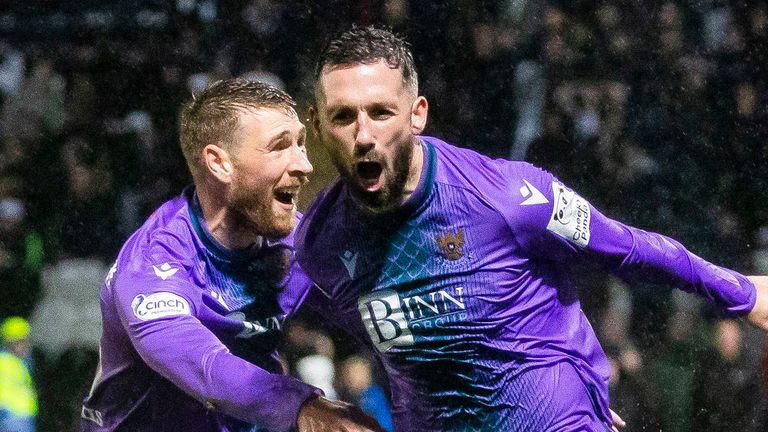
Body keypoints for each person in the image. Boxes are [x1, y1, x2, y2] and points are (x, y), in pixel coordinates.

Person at [295, 26, 768, 432]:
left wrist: (743, 293)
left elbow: (626, 247)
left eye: (380, 112)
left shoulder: (509, 197)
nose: (362, 135)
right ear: (316, 125)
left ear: (417, 114)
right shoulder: (318, 244)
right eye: (343, 116)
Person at [81, 79, 384, 432]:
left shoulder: (301, 244)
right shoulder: (154, 261)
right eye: (280, 147)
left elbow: (383, 309)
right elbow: (204, 367)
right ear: (219, 163)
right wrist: (304, 407)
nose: (304, 165)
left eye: (300, 144)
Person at [0, 316, 37, 432]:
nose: (25, 346)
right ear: (9, 342)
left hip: (21, 417)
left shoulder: (19, 362)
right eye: (21, 341)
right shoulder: (4, 362)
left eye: (26, 341)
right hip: (11, 418)